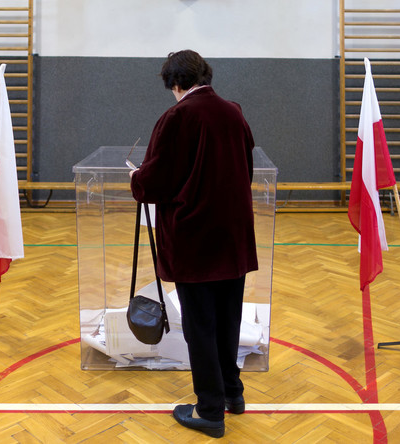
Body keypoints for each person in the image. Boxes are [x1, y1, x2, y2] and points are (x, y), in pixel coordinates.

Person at [129, 50, 258, 439]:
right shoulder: (233, 111)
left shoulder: (177, 116)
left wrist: (136, 177)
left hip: (194, 240)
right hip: (233, 236)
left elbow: (155, 183)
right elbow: (246, 169)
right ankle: (233, 395)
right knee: (227, 321)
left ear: (174, 83)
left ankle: (209, 411)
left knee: (200, 327)